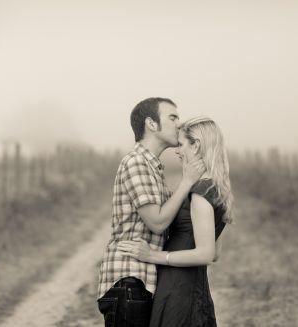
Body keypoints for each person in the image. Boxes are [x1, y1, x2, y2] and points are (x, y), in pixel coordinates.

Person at [97, 97, 206, 327]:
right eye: (172, 117)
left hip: (140, 281)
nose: (179, 123)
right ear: (151, 124)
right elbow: (157, 222)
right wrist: (186, 182)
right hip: (129, 279)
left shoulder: (153, 167)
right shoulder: (136, 162)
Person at [118, 117, 234, 327]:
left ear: (196, 145)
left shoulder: (199, 194)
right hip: (193, 283)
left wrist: (152, 255)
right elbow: (216, 252)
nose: (177, 151)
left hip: (178, 286)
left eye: (181, 144)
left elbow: (206, 254)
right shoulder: (214, 188)